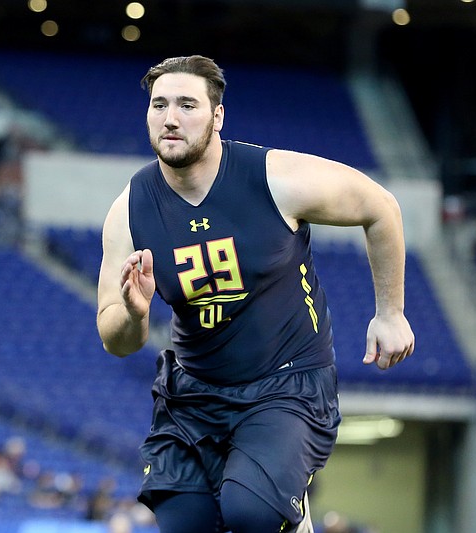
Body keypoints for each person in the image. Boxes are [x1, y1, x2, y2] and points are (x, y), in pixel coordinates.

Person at [96, 55, 415, 533]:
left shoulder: (274, 177)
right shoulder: (129, 211)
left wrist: (390, 313)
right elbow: (116, 340)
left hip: (285, 384)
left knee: (250, 515)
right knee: (185, 525)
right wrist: (134, 312)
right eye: (159, 105)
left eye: (187, 104)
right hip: (194, 393)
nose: (171, 117)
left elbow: (380, 207)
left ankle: (294, 514)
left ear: (217, 116)